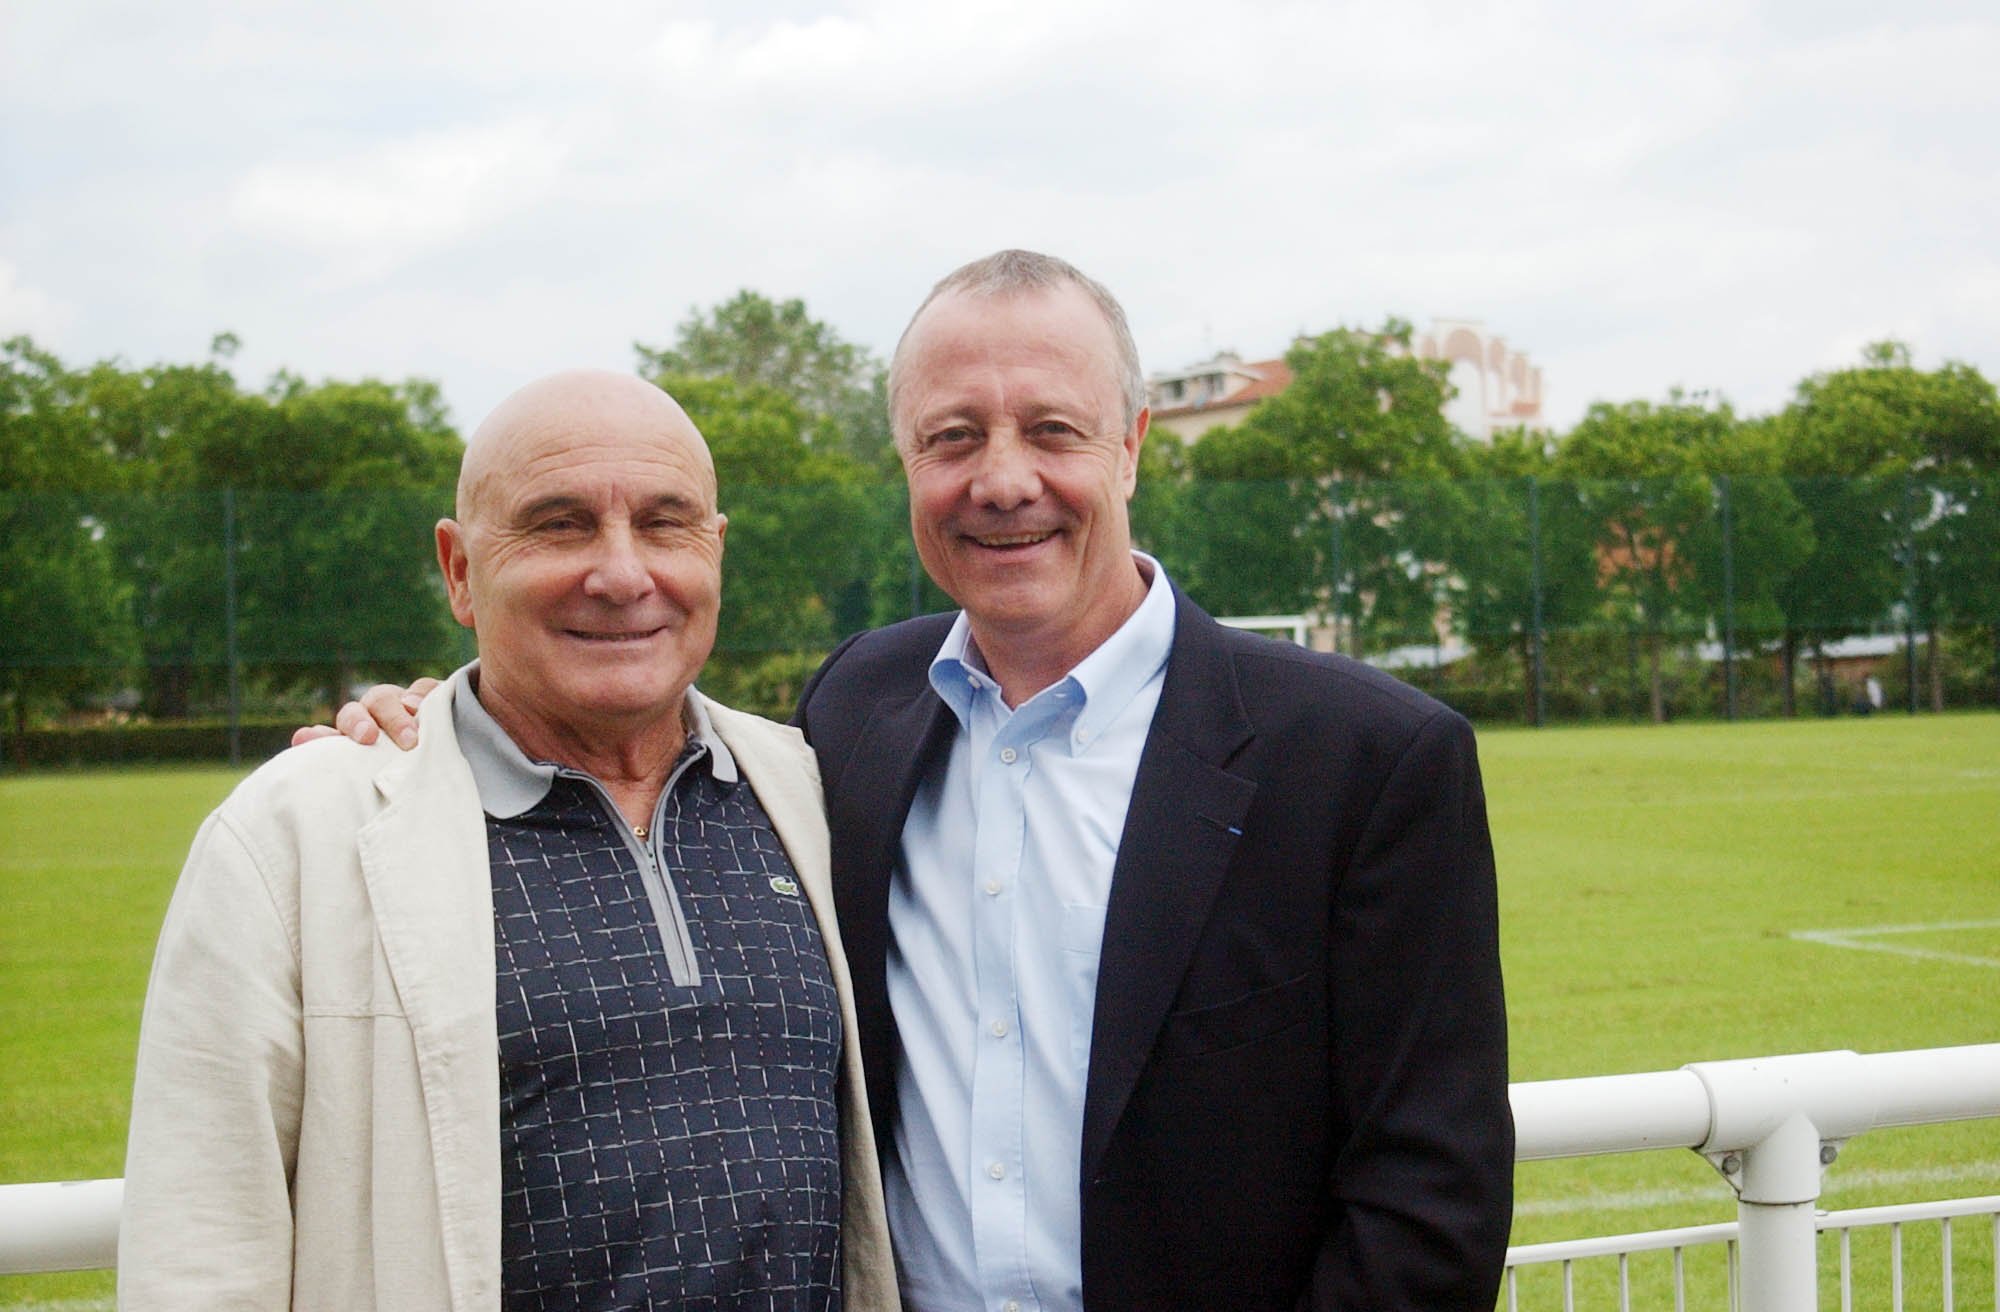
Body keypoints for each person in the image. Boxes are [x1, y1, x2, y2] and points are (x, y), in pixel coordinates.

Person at [321, 252, 1514, 1310]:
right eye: (952, 437)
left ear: (1131, 447)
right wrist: (438, 717)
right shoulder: (850, 713)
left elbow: (1428, 1196)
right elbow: (613, 724)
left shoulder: (1365, 758)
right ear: (906, 460)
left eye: (1051, 430)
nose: (1001, 481)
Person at [122, 370, 898, 1311]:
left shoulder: (814, 793)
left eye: (665, 523)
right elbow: (200, 1249)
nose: (621, 574)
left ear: (715, 551)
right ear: (458, 570)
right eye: (559, 524)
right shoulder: (294, 835)